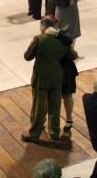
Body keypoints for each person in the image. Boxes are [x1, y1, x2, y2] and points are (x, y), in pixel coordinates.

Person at [22, 16, 68, 144]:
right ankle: (54, 133)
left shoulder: (40, 39)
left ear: (44, 26)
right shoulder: (62, 38)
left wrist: (33, 42)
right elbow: (71, 54)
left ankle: (34, 133)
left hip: (42, 75)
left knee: (38, 106)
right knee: (55, 105)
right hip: (57, 73)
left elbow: (27, 56)